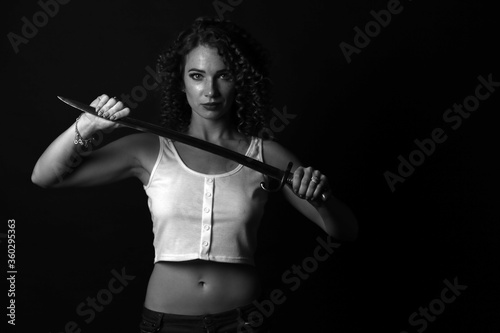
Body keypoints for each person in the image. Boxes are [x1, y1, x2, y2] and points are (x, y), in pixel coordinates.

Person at [32, 16, 358, 333]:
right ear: (182, 81)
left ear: (240, 79)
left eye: (223, 75)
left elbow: (345, 231)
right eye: (198, 75)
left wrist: (321, 199)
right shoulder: (148, 149)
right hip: (165, 322)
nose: (210, 91)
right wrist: (85, 126)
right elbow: (44, 176)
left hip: (243, 321)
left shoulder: (267, 156)